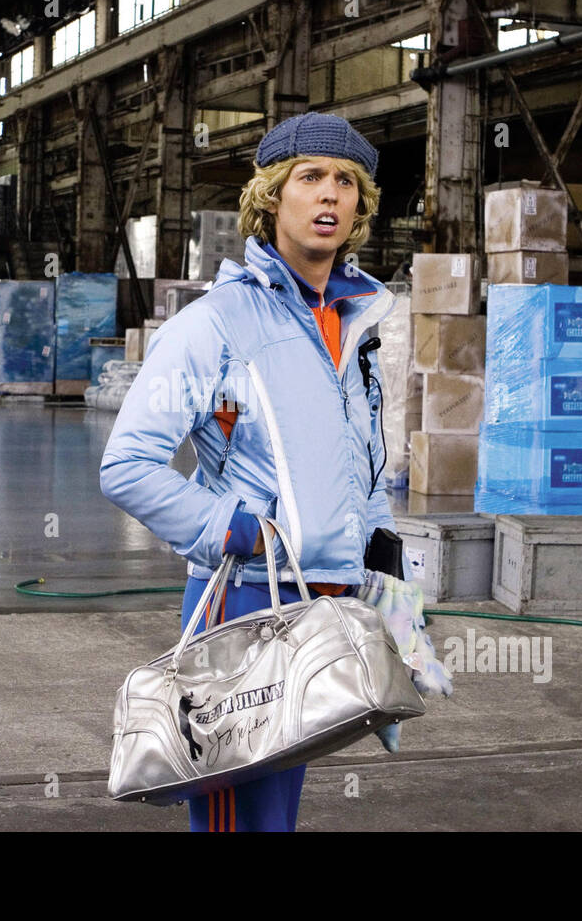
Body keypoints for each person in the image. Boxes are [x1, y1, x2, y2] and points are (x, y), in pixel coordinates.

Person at [99, 112, 400, 832]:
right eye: (310, 178)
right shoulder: (216, 325)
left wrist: (391, 579)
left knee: (278, 820)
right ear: (270, 198)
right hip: (246, 609)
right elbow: (127, 464)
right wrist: (231, 529)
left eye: (345, 182)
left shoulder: (355, 329)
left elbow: (367, 467)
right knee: (242, 823)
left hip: (323, 613)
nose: (329, 196)